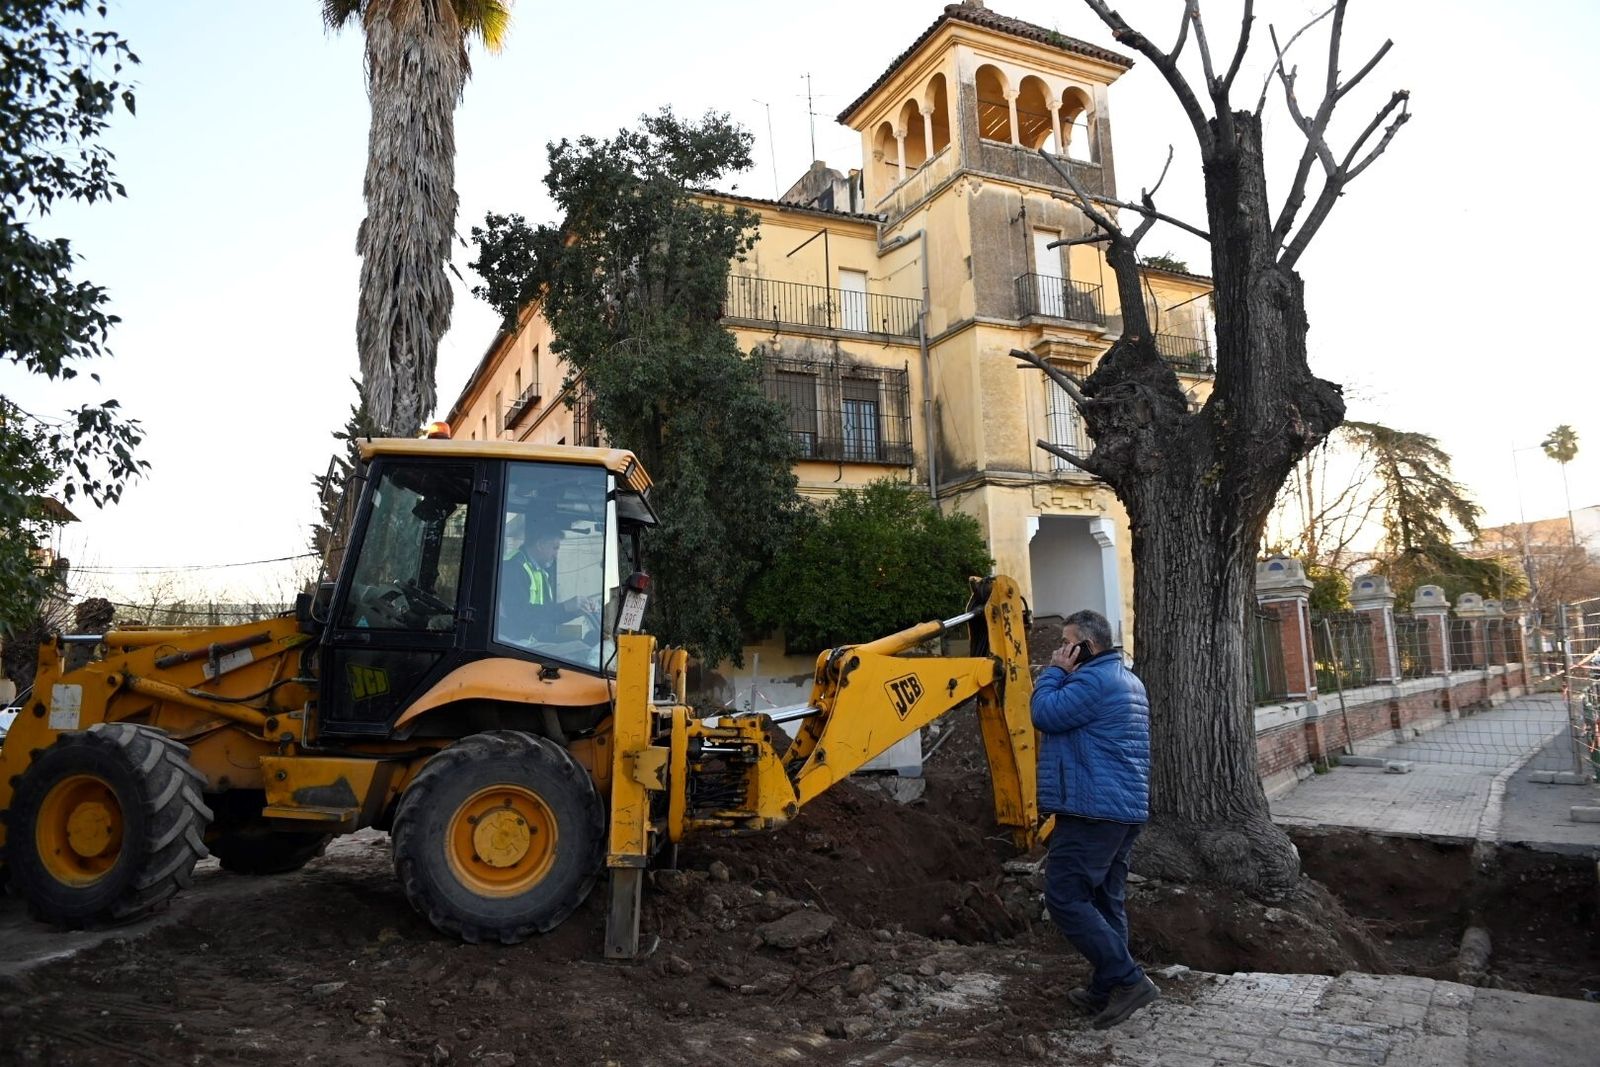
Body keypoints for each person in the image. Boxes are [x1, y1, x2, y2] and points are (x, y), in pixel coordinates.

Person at [1030, 608, 1158, 1030]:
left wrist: (1053, 671)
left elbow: (1044, 713)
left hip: (1092, 809)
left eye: (1067, 643)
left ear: (1087, 645)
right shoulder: (1127, 679)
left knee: (1065, 898)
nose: (1061, 650)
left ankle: (1130, 981)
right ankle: (1103, 990)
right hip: (1120, 810)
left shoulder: (1092, 679)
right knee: (1105, 900)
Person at [499, 517, 595, 646]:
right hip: (514, 643)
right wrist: (564, 607)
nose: (556, 555)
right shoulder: (513, 567)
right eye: (555, 548)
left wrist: (575, 611)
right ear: (540, 545)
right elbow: (519, 615)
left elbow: (547, 615)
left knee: (583, 645)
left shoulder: (540, 572)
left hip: (534, 640)